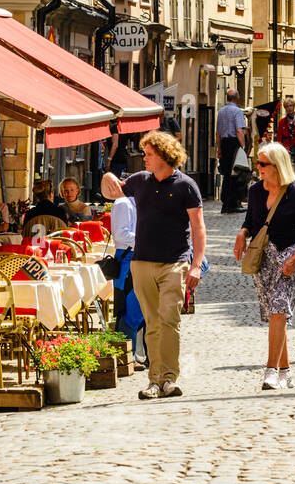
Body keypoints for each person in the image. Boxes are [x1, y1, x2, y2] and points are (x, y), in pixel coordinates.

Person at [101, 130, 205, 401]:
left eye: (148, 154)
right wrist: (107, 177)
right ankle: (154, 381)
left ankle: (169, 378)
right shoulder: (140, 181)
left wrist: (195, 265)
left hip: (175, 262)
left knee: (169, 319)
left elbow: (198, 227)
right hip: (142, 263)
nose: (143, 158)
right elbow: (110, 192)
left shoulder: (186, 186)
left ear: (163, 155)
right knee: (152, 323)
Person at [234, 142, 295, 391]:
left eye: (262, 164)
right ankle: (286, 372)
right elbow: (251, 222)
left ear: (277, 166)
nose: (257, 167)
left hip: (289, 256)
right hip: (263, 259)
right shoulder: (255, 190)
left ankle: (270, 371)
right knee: (275, 317)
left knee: (279, 310)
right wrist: (241, 233)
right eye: (257, 162)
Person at [109, 193, 147, 370]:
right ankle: (126, 358)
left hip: (142, 257)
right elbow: (120, 235)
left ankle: (136, 355)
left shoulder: (144, 203)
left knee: (140, 306)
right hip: (128, 260)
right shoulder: (124, 204)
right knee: (129, 307)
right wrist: (149, 240)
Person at [216, 88, 247, 215]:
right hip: (234, 144)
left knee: (227, 175)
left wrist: (219, 149)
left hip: (224, 144)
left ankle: (226, 203)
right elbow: (239, 131)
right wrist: (243, 147)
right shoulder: (237, 111)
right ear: (236, 98)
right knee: (236, 173)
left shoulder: (221, 111)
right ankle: (233, 203)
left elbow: (217, 133)